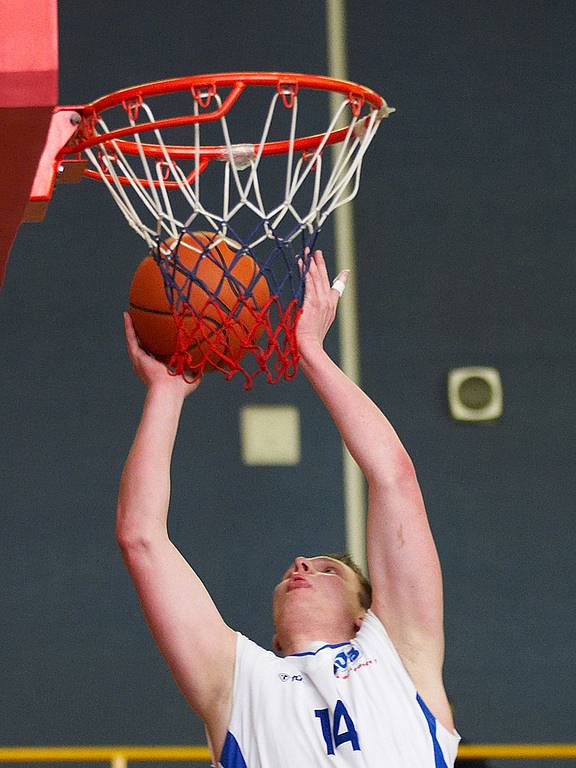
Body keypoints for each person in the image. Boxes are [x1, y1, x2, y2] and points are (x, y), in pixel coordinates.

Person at [116, 249, 461, 767]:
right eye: (305, 566)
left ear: (364, 613)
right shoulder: (237, 683)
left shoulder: (400, 653)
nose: (301, 565)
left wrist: (313, 354)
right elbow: (140, 537)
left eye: (324, 569)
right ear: (274, 636)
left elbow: (394, 478)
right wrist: (167, 393)